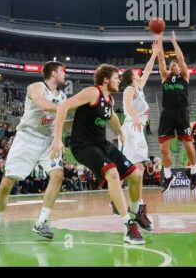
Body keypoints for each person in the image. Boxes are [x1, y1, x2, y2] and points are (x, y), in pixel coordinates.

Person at [50, 64, 148, 245]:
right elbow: (63, 106)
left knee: (136, 174)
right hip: (83, 146)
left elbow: (112, 117)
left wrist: (120, 133)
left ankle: (136, 212)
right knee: (112, 173)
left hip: (102, 144)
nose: (119, 80)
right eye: (116, 77)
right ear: (105, 79)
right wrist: (57, 139)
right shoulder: (92, 92)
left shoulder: (109, 100)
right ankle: (128, 226)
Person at [0, 62, 70, 241]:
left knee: (58, 175)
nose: (65, 75)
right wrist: (70, 107)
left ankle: (42, 222)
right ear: (53, 73)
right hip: (27, 137)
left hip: (48, 141)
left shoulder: (64, 98)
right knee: (7, 182)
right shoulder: (36, 87)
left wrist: (84, 121)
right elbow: (43, 105)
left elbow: (61, 123)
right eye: (62, 71)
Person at [115, 40, 159, 225]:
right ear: (131, 77)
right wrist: (134, 117)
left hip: (137, 130)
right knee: (132, 169)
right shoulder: (130, 89)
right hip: (131, 128)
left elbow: (148, 70)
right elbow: (126, 102)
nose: (138, 72)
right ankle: (126, 202)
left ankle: (135, 206)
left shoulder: (138, 87)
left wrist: (155, 53)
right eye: (135, 73)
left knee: (138, 169)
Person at [157, 31, 196, 193]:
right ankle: (168, 175)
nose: (173, 65)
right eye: (171, 65)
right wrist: (159, 40)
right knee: (163, 149)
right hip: (167, 113)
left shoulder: (184, 77)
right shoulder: (164, 77)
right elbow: (161, 58)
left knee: (188, 143)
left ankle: (194, 172)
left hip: (182, 112)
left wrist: (174, 42)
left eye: (175, 64)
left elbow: (181, 59)